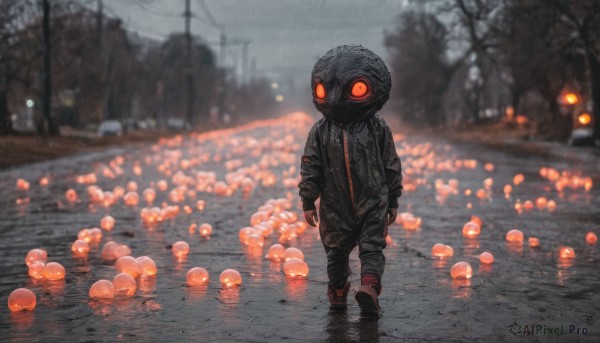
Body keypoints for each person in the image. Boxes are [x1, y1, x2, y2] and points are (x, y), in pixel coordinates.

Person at [299, 45, 403, 316]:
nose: (334, 99)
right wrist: (308, 198)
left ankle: (369, 288)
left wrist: (392, 197)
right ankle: (338, 292)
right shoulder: (321, 131)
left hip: (373, 200)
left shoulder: (377, 128)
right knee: (335, 251)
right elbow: (311, 163)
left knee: (372, 247)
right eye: (324, 90)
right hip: (335, 204)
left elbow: (390, 163)